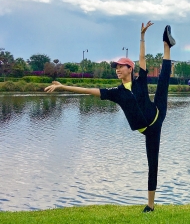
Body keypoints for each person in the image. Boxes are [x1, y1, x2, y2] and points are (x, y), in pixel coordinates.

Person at [45, 21, 176, 212]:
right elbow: (90, 90)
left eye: (121, 66)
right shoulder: (117, 92)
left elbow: (142, 58)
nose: (117, 69)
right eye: (116, 67)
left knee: (163, 82)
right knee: (152, 165)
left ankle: (166, 44)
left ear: (130, 69)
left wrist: (142, 37)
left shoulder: (140, 82)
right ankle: (151, 205)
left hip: (157, 115)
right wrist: (63, 86)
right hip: (149, 131)